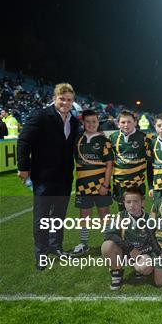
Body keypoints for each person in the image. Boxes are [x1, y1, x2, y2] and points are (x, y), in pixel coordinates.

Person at [17, 83, 80, 270]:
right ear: (54, 98)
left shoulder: (74, 121)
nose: (65, 103)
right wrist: (23, 167)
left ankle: (55, 246)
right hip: (43, 177)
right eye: (62, 98)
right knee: (42, 217)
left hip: (65, 178)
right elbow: (23, 141)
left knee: (59, 216)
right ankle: (41, 253)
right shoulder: (40, 116)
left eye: (69, 100)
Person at [70, 110, 113, 257]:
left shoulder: (104, 141)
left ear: (98, 122)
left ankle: (108, 243)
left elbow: (109, 164)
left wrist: (105, 185)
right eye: (88, 122)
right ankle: (83, 243)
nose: (91, 124)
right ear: (83, 123)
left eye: (94, 121)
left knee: (104, 214)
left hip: (101, 185)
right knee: (84, 215)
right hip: (83, 185)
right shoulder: (77, 139)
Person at [101, 188, 155, 290]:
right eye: (128, 202)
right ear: (124, 203)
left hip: (142, 253)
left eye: (135, 201)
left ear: (142, 202)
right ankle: (116, 273)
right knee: (107, 246)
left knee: (145, 268)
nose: (132, 205)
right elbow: (108, 234)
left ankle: (139, 269)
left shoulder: (149, 219)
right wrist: (130, 248)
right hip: (126, 252)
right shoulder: (120, 216)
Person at [108, 110, 152, 210]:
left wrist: (151, 185)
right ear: (118, 124)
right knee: (122, 213)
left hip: (137, 183)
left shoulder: (145, 138)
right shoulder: (112, 137)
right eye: (123, 122)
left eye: (129, 122)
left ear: (135, 123)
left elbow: (150, 164)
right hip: (119, 184)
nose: (126, 125)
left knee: (138, 213)